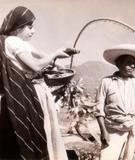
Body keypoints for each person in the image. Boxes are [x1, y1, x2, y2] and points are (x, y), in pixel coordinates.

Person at [0, 6, 78, 160]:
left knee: (45, 129)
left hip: (34, 91)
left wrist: (61, 53)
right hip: (26, 92)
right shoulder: (12, 41)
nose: (33, 31)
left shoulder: (22, 44)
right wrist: (55, 54)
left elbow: (42, 56)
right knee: (37, 131)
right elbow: (35, 66)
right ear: (17, 27)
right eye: (29, 27)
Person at [96, 44, 135, 160]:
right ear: (118, 64)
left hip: (133, 127)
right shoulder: (106, 82)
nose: (132, 66)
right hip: (112, 128)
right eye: (128, 62)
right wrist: (103, 132)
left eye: (133, 63)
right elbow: (98, 110)